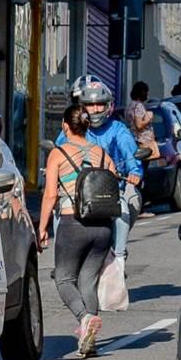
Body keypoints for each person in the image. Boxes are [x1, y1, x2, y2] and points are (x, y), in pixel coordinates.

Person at [40, 104, 116, 356]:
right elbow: (113, 185)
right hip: (103, 227)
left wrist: (42, 227)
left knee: (63, 279)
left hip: (73, 223)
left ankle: (84, 318)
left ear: (64, 125)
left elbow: (51, 195)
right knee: (88, 280)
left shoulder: (58, 154)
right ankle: (89, 338)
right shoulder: (102, 153)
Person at [59, 75, 144, 263]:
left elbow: (131, 155)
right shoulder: (74, 127)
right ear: (82, 107)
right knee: (60, 208)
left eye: (100, 104)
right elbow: (59, 150)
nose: (95, 109)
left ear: (109, 106)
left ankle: (119, 254)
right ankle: (62, 258)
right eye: (90, 105)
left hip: (113, 188)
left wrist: (134, 173)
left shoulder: (119, 130)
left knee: (128, 205)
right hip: (78, 188)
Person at [125, 80, 158, 161]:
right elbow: (139, 125)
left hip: (134, 140)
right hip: (144, 141)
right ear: (142, 92)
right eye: (146, 92)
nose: (147, 94)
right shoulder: (139, 106)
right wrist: (149, 117)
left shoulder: (129, 106)